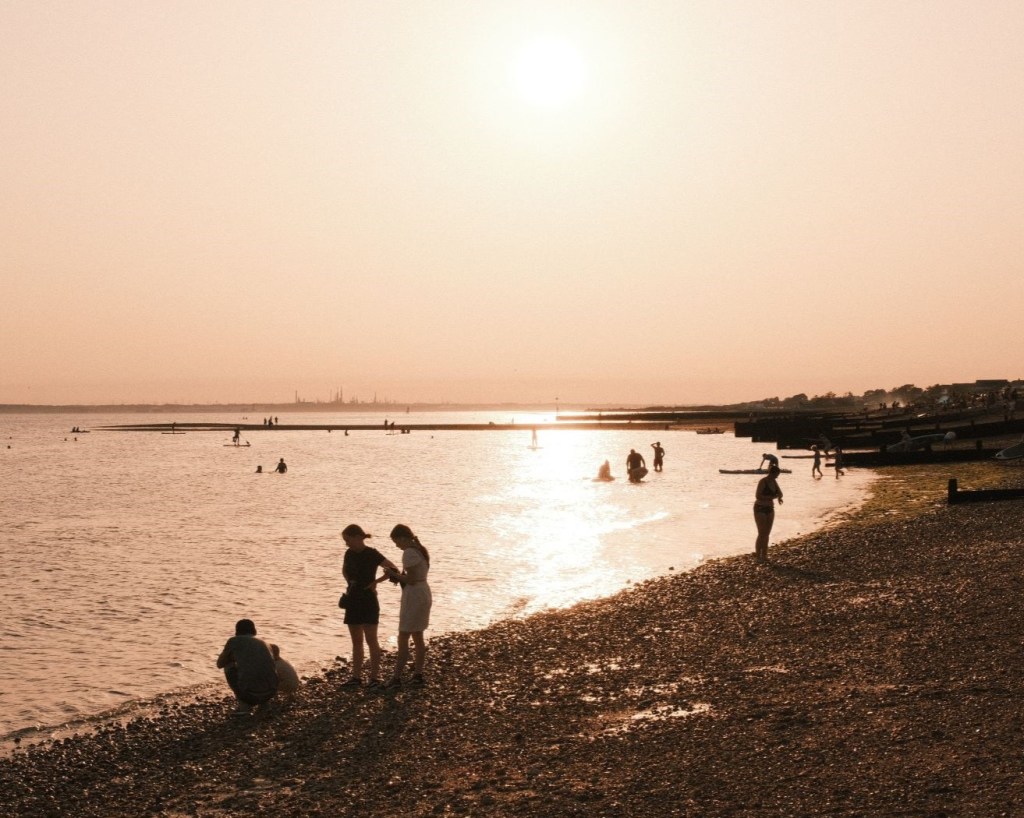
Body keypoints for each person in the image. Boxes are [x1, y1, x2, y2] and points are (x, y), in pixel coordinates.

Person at [340, 523, 400, 688]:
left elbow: (393, 568)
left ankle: (374, 678)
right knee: (356, 641)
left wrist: (376, 582)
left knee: (371, 640)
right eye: (345, 540)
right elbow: (344, 570)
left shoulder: (372, 553)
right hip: (352, 598)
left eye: (348, 540)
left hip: (368, 599)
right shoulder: (348, 553)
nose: (346, 544)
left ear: (358, 537)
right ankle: (356, 677)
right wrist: (349, 582)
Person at [384, 524, 433, 688]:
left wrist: (393, 574)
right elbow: (415, 576)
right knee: (418, 635)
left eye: (396, 542)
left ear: (403, 538)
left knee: (403, 635)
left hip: (414, 595)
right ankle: (418, 674)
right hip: (423, 591)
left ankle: (397, 677)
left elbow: (410, 580)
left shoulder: (409, 553)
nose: (396, 546)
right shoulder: (419, 549)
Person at [216, 619, 279, 716]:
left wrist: (233, 658)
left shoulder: (234, 641)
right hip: (271, 692)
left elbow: (220, 664)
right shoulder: (265, 643)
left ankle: (244, 705)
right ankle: (264, 705)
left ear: (237, 631)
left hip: (249, 695)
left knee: (228, 665)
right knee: (262, 666)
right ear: (254, 630)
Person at [753, 464, 784, 564]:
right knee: (761, 533)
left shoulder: (774, 481)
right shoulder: (763, 481)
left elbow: (780, 493)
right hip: (760, 508)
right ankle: (758, 556)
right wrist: (770, 497)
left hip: (770, 508)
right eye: (776, 475)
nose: (777, 477)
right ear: (772, 473)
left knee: (767, 533)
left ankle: (764, 555)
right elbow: (758, 496)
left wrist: (779, 498)